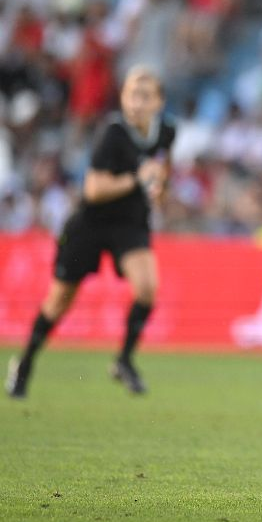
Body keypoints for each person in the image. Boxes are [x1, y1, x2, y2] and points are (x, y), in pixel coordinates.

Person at [5, 66, 175, 398]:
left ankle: (124, 360)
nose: (137, 103)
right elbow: (94, 189)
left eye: (145, 96)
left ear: (159, 102)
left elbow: (163, 166)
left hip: (130, 222)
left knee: (147, 287)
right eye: (131, 95)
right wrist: (137, 180)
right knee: (59, 300)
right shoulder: (112, 134)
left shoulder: (166, 132)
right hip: (91, 223)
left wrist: (160, 189)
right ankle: (24, 364)